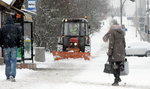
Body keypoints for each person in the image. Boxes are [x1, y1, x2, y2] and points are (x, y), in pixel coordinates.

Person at [0, 16, 22, 82]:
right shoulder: (16, 28)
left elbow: (0, 38)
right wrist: (18, 44)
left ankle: (7, 75)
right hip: (14, 46)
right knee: (13, 61)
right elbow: (19, 37)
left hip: (6, 47)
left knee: (7, 62)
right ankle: (12, 75)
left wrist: (2, 45)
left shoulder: (2, 28)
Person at [106, 19, 126, 86]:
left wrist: (110, 52)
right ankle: (117, 78)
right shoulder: (121, 32)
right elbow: (124, 43)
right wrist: (123, 50)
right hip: (121, 51)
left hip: (115, 51)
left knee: (113, 65)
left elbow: (111, 43)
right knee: (118, 65)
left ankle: (116, 80)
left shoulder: (112, 31)